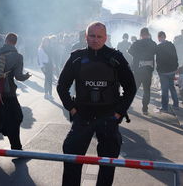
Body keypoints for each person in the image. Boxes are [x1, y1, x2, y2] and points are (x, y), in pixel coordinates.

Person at [57, 22, 136, 186]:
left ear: (105, 38)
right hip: (82, 116)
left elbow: (131, 88)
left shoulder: (116, 57)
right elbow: (61, 86)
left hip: (108, 118)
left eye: (99, 36)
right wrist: (71, 109)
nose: (95, 39)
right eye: (92, 36)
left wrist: (119, 113)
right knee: (72, 159)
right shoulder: (77, 57)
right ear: (86, 37)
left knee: (108, 163)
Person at [0, 33, 31, 149]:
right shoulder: (18, 57)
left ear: (6, 40)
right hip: (9, 91)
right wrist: (26, 76)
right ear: (15, 42)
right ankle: (16, 147)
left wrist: (0, 72)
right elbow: (18, 76)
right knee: (15, 117)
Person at [128, 27, 157, 115]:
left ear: (140, 35)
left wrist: (138, 56)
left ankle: (127, 105)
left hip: (138, 70)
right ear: (148, 34)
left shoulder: (136, 43)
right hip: (148, 70)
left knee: (134, 89)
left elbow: (130, 51)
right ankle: (145, 109)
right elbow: (156, 52)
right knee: (147, 90)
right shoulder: (152, 43)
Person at [156, 31, 179, 112]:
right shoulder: (171, 45)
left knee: (164, 90)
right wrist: (176, 67)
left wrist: (158, 70)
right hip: (172, 70)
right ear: (165, 37)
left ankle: (165, 107)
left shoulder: (158, 47)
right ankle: (176, 104)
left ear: (159, 38)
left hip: (163, 72)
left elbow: (158, 60)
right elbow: (176, 57)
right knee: (172, 87)